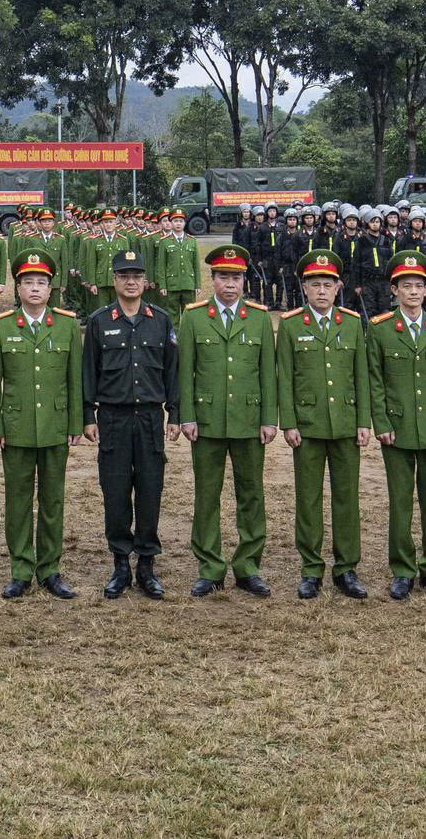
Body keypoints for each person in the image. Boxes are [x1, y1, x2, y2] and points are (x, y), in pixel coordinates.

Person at [176, 241, 278, 598]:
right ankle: (210, 567)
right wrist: (187, 416)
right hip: (207, 420)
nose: (229, 284)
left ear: (244, 280)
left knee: (251, 495)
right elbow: (185, 371)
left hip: (248, 420)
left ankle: (248, 566)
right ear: (212, 279)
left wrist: (269, 419)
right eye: (222, 276)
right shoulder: (193, 317)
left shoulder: (260, 318)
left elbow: (268, 373)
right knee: (207, 495)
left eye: (235, 277)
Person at [80, 246, 175, 600]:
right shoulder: (99, 321)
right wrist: (87, 416)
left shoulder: (160, 320)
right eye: (124, 276)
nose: (131, 282)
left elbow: (172, 371)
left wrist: (175, 414)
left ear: (145, 281)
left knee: (150, 490)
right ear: (115, 280)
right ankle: (121, 563)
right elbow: (89, 372)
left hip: (150, 418)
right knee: (116, 492)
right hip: (113, 419)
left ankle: (146, 564)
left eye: (136, 276)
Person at [0, 250, 84, 598]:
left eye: (41, 283)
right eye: (27, 282)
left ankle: (49, 569)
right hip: (15, 426)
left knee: (52, 500)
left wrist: (75, 423)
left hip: (54, 425)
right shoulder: (0, 326)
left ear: (50, 289)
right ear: (17, 288)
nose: (34, 288)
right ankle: (20, 569)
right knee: (17, 501)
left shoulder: (66, 325)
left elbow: (74, 380)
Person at [277, 250, 370, 599]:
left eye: (327, 285)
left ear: (338, 287)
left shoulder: (352, 323)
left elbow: (361, 376)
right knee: (308, 499)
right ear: (304, 287)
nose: (321, 291)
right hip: (308, 425)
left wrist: (363, 421)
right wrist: (289, 423)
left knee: (347, 498)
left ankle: (346, 568)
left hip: (345, 424)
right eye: (314, 284)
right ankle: (311, 568)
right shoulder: (290, 325)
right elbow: (285, 377)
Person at [365, 253, 426, 601]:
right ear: (395, 290)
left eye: (419, 285)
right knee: (400, 502)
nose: (414, 292)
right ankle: (403, 569)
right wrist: (381, 422)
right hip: (397, 427)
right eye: (406, 286)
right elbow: (375, 380)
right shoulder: (380, 328)